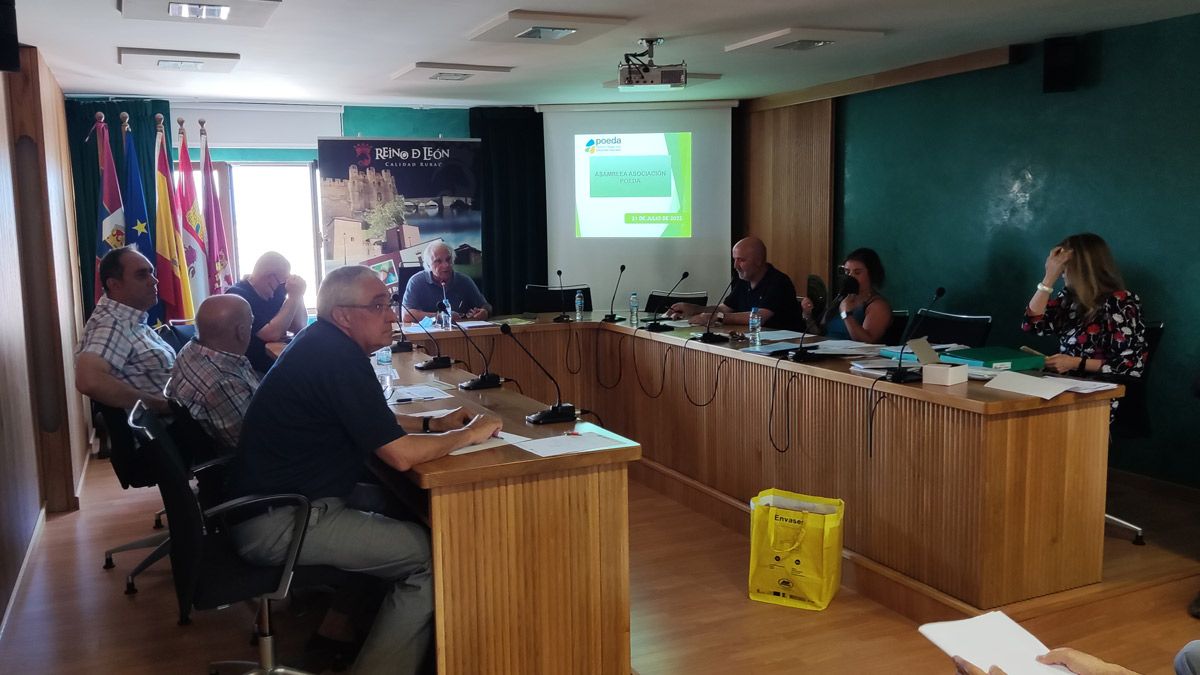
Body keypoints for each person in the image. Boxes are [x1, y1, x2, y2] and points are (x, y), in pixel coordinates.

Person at [226, 264, 502, 675]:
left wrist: (432, 423)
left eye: (388, 302)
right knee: (434, 556)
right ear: (343, 315)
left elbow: (362, 420)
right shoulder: (337, 357)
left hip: (281, 502)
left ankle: (336, 631)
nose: (392, 314)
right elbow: (401, 455)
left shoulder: (322, 344)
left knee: (397, 505)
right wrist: (470, 434)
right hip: (282, 519)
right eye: (378, 305)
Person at [1022, 233, 1148, 418]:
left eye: (1064, 268)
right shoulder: (1070, 299)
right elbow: (1032, 325)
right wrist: (1048, 279)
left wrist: (1074, 363)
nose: (1062, 273)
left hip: (1104, 393)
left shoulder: (1120, 301)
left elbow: (1129, 365)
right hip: (1066, 386)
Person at [75, 246, 175, 413]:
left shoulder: (130, 319)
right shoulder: (112, 323)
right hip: (172, 430)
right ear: (114, 285)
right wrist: (160, 406)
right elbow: (88, 380)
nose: (154, 281)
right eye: (142, 275)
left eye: (151, 272)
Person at [165, 294, 259, 448]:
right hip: (250, 461)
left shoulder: (190, 349)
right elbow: (252, 442)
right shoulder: (223, 382)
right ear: (241, 332)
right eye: (251, 324)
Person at [665, 236, 800, 330]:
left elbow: (759, 317)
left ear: (758, 260)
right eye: (734, 259)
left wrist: (716, 318)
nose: (735, 265)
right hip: (751, 342)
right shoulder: (742, 280)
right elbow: (724, 308)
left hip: (782, 348)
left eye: (741, 260)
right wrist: (694, 309)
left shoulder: (778, 282)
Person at [225, 251, 308, 374]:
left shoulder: (275, 292)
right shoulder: (238, 295)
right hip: (251, 369)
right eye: (283, 282)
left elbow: (299, 326)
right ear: (269, 276)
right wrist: (293, 297)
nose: (284, 287)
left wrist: (298, 294)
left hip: (276, 362)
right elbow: (270, 334)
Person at [806, 247, 893, 343]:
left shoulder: (878, 306)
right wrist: (808, 315)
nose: (850, 277)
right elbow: (820, 334)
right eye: (847, 272)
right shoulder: (841, 298)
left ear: (871, 274)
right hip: (825, 351)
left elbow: (867, 342)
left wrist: (846, 314)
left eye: (857, 272)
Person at [401, 241, 491, 322]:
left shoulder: (464, 281)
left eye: (448, 259)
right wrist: (439, 316)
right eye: (438, 261)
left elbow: (486, 305)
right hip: (426, 337)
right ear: (428, 264)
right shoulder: (416, 281)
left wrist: (485, 312)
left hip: (458, 336)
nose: (446, 265)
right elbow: (406, 315)